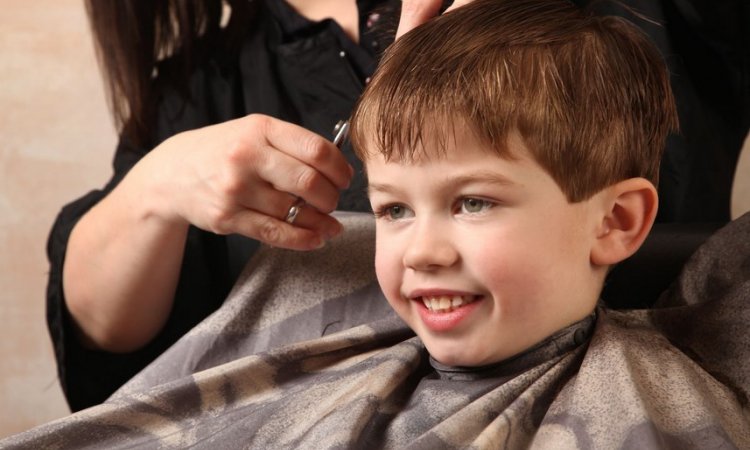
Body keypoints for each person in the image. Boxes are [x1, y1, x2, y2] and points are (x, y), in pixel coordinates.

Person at [9, 1, 747, 446]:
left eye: (473, 201)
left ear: (618, 220)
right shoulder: (207, 82)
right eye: (391, 208)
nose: (422, 250)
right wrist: (153, 186)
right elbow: (115, 368)